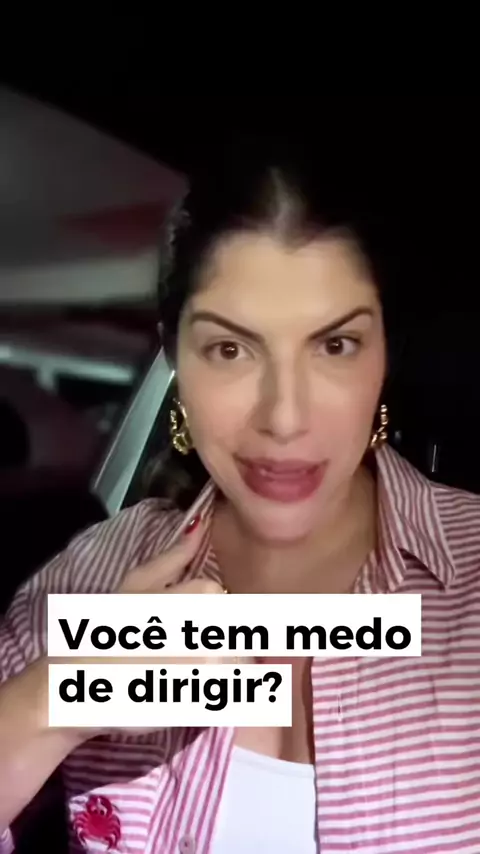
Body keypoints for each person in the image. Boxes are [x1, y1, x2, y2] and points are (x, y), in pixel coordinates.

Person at [1, 140, 480, 854]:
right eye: (230, 350)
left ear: (386, 356)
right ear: (175, 357)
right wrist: (55, 702)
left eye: (335, 346)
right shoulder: (87, 582)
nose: (284, 418)